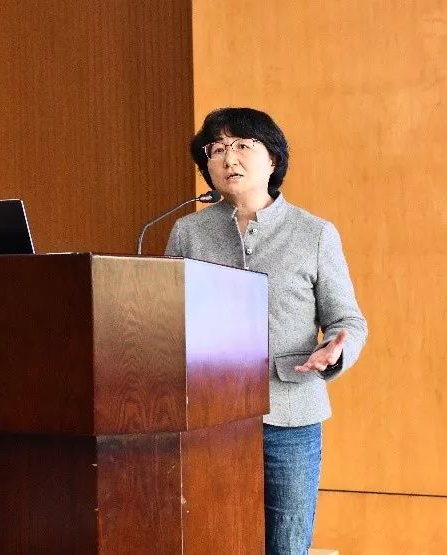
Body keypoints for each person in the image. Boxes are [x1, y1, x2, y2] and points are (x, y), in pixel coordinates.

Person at [165, 107, 368, 554]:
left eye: (242, 145)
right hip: (208, 415)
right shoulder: (188, 232)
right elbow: (167, 317)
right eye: (217, 149)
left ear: (273, 159)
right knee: (211, 538)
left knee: (286, 542)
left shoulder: (314, 233)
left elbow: (348, 320)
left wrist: (334, 352)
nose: (228, 158)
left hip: (290, 413)